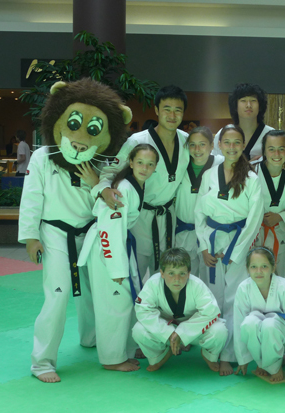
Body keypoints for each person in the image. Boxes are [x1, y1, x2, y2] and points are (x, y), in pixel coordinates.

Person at [92, 85, 190, 280]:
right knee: (135, 273)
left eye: (178, 110)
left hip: (168, 216)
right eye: (167, 109)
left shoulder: (187, 141)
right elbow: (111, 171)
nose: (172, 115)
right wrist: (103, 190)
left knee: (165, 272)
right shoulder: (137, 141)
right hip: (140, 216)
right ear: (157, 110)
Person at [18, 150, 100, 383]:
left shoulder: (95, 151)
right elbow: (31, 195)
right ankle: (42, 361)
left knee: (93, 289)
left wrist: (96, 182)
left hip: (91, 229)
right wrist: (31, 237)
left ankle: (91, 337)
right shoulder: (43, 156)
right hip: (55, 232)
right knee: (58, 293)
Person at [78, 144, 159, 372]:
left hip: (118, 244)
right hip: (107, 248)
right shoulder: (124, 188)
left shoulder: (134, 185)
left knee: (126, 302)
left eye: (150, 164)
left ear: (155, 167)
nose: (144, 168)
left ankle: (125, 350)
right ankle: (112, 359)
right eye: (140, 162)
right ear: (130, 162)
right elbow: (109, 229)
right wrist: (116, 269)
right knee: (114, 304)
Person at [195, 124, 264, 375]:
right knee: (213, 298)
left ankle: (231, 354)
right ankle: (212, 348)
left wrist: (236, 253)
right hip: (212, 240)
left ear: (243, 145)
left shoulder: (252, 179)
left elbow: (254, 219)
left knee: (235, 299)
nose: (232, 147)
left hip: (238, 241)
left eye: (237, 142)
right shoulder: (209, 175)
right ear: (219, 145)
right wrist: (204, 247)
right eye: (227, 142)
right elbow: (198, 212)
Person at [132, 248, 228, 373]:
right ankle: (159, 356)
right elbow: (143, 310)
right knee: (138, 330)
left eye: (182, 274)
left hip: (193, 331)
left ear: (189, 273)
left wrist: (182, 332)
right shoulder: (153, 284)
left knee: (219, 330)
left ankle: (210, 356)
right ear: (162, 273)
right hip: (165, 330)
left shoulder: (197, 285)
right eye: (171, 273)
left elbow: (211, 312)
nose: (176, 279)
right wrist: (168, 333)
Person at [234, 247, 285, 383]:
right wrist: (242, 359)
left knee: (269, 325)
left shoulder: (284, 286)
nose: (259, 271)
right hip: (257, 327)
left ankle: (273, 366)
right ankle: (262, 362)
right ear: (247, 269)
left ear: (273, 268)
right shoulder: (243, 288)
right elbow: (238, 324)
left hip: (279, 328)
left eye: (264, 266)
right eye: (254, 267)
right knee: (248, 324)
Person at [175, 126, 224, 279]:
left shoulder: (221, 164)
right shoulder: (180, 164)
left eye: (202, 144)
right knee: (184, 276)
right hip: (184, 231)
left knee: (210, 280)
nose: (197, 149)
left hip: (210, 232)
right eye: (192, 145)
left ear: (211, 145)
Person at [254, 130, 285, 277]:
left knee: (278, 275)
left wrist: (280, 216)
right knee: (255, 273)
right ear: (264, 151)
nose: (277, 154)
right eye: (271, 149)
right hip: (255, 232)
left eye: (281, 149)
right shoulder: (252, 170)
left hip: (279, 231)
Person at [213, 83, 273, 161]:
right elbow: (216, 163)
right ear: (235, 106)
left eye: (253, 100)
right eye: (243, 100)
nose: (248, 105)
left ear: (260, 106)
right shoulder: (223, 133)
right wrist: (249, 165)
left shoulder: (271, 134)